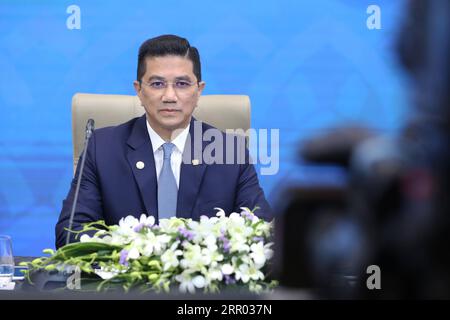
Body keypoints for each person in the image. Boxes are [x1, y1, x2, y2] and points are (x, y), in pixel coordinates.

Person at [55, 34, 272, 249]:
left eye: (182, 84)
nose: (169, 96)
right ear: (139, 90)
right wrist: (138, 255)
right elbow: (72, 231)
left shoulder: (228, 151)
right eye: (157, 84)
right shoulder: (102, 148)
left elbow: (260, 230)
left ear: (199, 91)